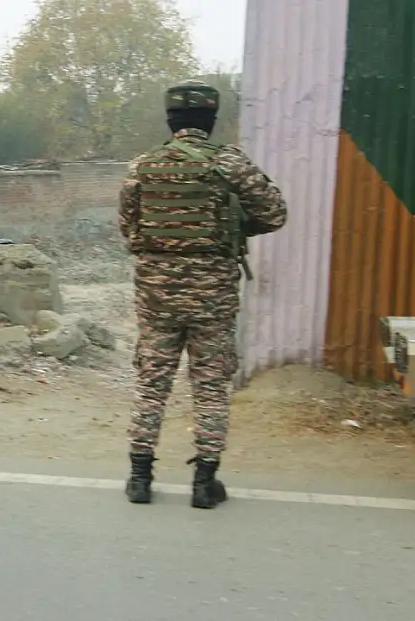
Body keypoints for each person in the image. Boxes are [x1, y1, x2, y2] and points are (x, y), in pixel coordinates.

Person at [118, 79, 287, 509]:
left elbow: (129, 231)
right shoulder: (230, 164)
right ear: (211, 120)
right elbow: (275, 213)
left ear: (170, 118)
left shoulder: (141, 167)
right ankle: (204, 484)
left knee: (151, 382)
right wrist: (231, 226)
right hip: (213, 294)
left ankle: (139, 478)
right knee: (210, 385)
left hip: (156, 295)